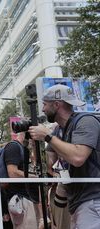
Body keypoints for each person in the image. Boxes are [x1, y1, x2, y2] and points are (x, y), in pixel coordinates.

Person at [28, 84, 100, 228]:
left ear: (56, 104)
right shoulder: (59, 131)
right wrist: (35, 143)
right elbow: (48, 164)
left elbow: (78, 158)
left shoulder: (86, 121)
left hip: (94, 198)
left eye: (45, 104)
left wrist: (47, 137)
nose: (42, 109)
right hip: (78, 201)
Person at [3, 132, 40, 229]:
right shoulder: (13, 147)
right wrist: (36, 177)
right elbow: (13, 173)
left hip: (30, 199)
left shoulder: (24, 149)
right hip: (21, 200)